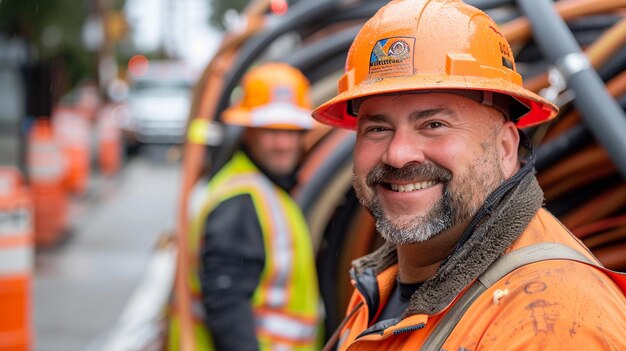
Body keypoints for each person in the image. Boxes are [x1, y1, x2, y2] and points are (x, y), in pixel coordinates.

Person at [311, 0, 626, 350]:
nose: (398, 154)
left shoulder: (552, 323)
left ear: (506, 148)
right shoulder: (380, 287)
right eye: (377, 128)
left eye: (434, 124)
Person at [180, 62, 321, 350]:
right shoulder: (241, 200)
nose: (283, 143)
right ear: (248, 132)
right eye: (271, 130)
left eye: (291, 131)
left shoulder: (264, 190)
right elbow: (227, 306)